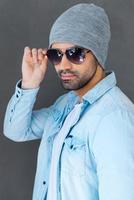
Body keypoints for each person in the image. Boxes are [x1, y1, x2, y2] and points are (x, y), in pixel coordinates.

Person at [3, 3, 134, 200]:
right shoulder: (64, 105)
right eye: (56, 55)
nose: (63, 65)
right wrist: (29, 85)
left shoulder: (114, 118)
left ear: (97, 54)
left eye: (75, 53)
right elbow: (16, 130)